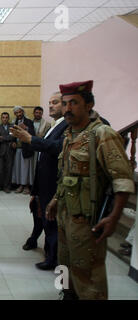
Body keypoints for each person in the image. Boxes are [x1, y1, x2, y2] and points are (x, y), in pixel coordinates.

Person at [46, 80, 135, 300]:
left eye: (74, 103)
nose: (67, 109)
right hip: (65, 216)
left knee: (88, 274)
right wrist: (55, 200)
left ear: (89, 105)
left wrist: (114, 217)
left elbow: (122, 180)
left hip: (88, 221)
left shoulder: (102, 134)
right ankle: (66, 294)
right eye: (65, 104)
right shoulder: (69, 136)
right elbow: (67, 176)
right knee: (64, 263)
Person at [10, 92, 67, 271]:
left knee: (51, 222)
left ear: (65, 105)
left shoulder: (67, 126)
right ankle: (36, 241)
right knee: (38, 214)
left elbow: (58, 148)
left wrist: (30, 139)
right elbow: (43, 157)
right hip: (43, 182)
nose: (51, 106)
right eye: (49, 103)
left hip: (53, 184)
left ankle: (52, 258)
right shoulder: (54, 125)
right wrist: (35, 190)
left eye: (55, 103)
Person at [11, 106, 36, 194]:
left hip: (26, 148)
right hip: (18, 148)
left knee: (26, 168)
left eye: (20, 112)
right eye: (16, 113)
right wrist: (13, 142)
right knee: (18, 168)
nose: (18, 114)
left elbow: (33, 134)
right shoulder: (14, 122)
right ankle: (20, 185)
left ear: (23, 112)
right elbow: (12, 134)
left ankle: (26, 186)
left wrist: (26, 128)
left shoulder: (29, 121)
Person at [0, 112, 15, 193]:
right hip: (1, 150)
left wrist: (4, 138)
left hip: (10, 150)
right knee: (0, 169)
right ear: (1, 118)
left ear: (8, 118)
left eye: (6, 117)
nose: (5, 119)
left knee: (9, 169)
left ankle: (7, 187)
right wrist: (7, 138)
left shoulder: (12, 126)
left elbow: (13, 136)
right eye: (3, 117)